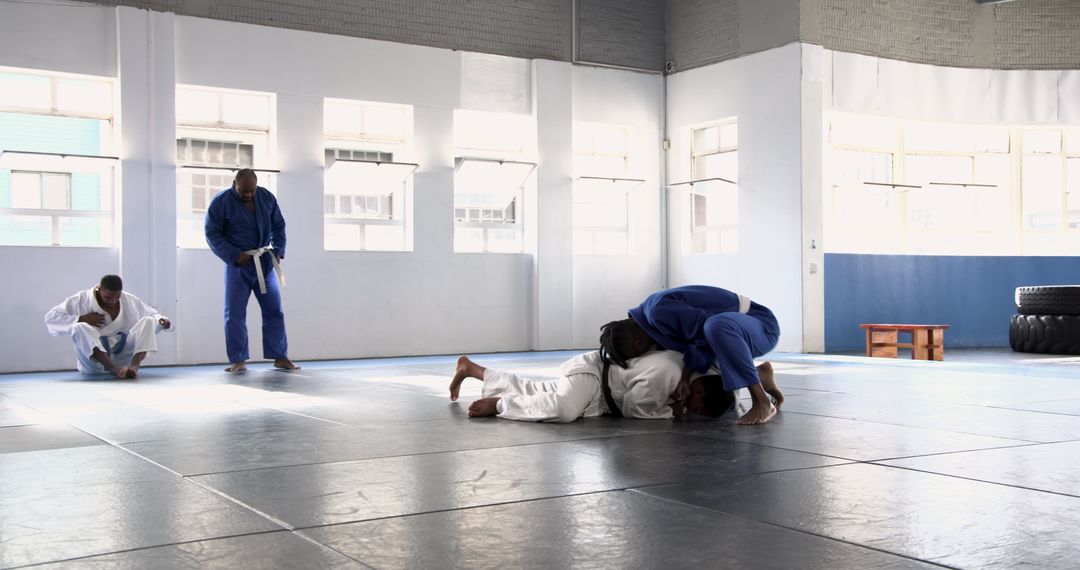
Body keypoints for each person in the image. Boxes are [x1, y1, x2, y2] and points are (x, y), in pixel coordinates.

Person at [600, 285, 783, 425]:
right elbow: (698, 344)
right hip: (736, 335)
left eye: (638, 354)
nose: (645, 355)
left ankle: (761, 401)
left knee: (716, 325)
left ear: (637, 343)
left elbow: (706, 334)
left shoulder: (658, 312)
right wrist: (685, 380)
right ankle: (759, 375)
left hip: (761, 326)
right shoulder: (652, 323)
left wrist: (686, 377)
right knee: (695, 352)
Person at [205, 168, 299, 373]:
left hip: (264, 261)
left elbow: (279, 224)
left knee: (274, 310)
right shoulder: (221, 202)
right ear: (234, 184)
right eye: (243, 191)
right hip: (238, 265)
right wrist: (232, 254)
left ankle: (280, 356)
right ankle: (238, 360)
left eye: (251, 191)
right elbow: (212, 233)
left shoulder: (266, 197)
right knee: (235, 314)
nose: (248, 194)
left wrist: (278, 250)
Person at [448, 350, 690, 422]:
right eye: (698, 401)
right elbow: (633, 408)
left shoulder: (685, 369)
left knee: (538, 391)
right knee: (564, 409)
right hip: (595, 374)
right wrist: (671, 411)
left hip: (602, 392)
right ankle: (500, 404)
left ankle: (472, 369)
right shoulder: (668, 371)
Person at [44, 274, 173, 379]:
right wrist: (81, 318)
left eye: (117, 297)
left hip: (123, 358)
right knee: (80, 327)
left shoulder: (128, 299)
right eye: (108, 297)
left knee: (149, 321)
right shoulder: (81, 300)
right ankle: (112, 368)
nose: (113, 301)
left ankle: (134, 367)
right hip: (94, 363)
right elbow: (51, 317)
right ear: (99, 289)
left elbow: (152, 313)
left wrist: (161, 320)